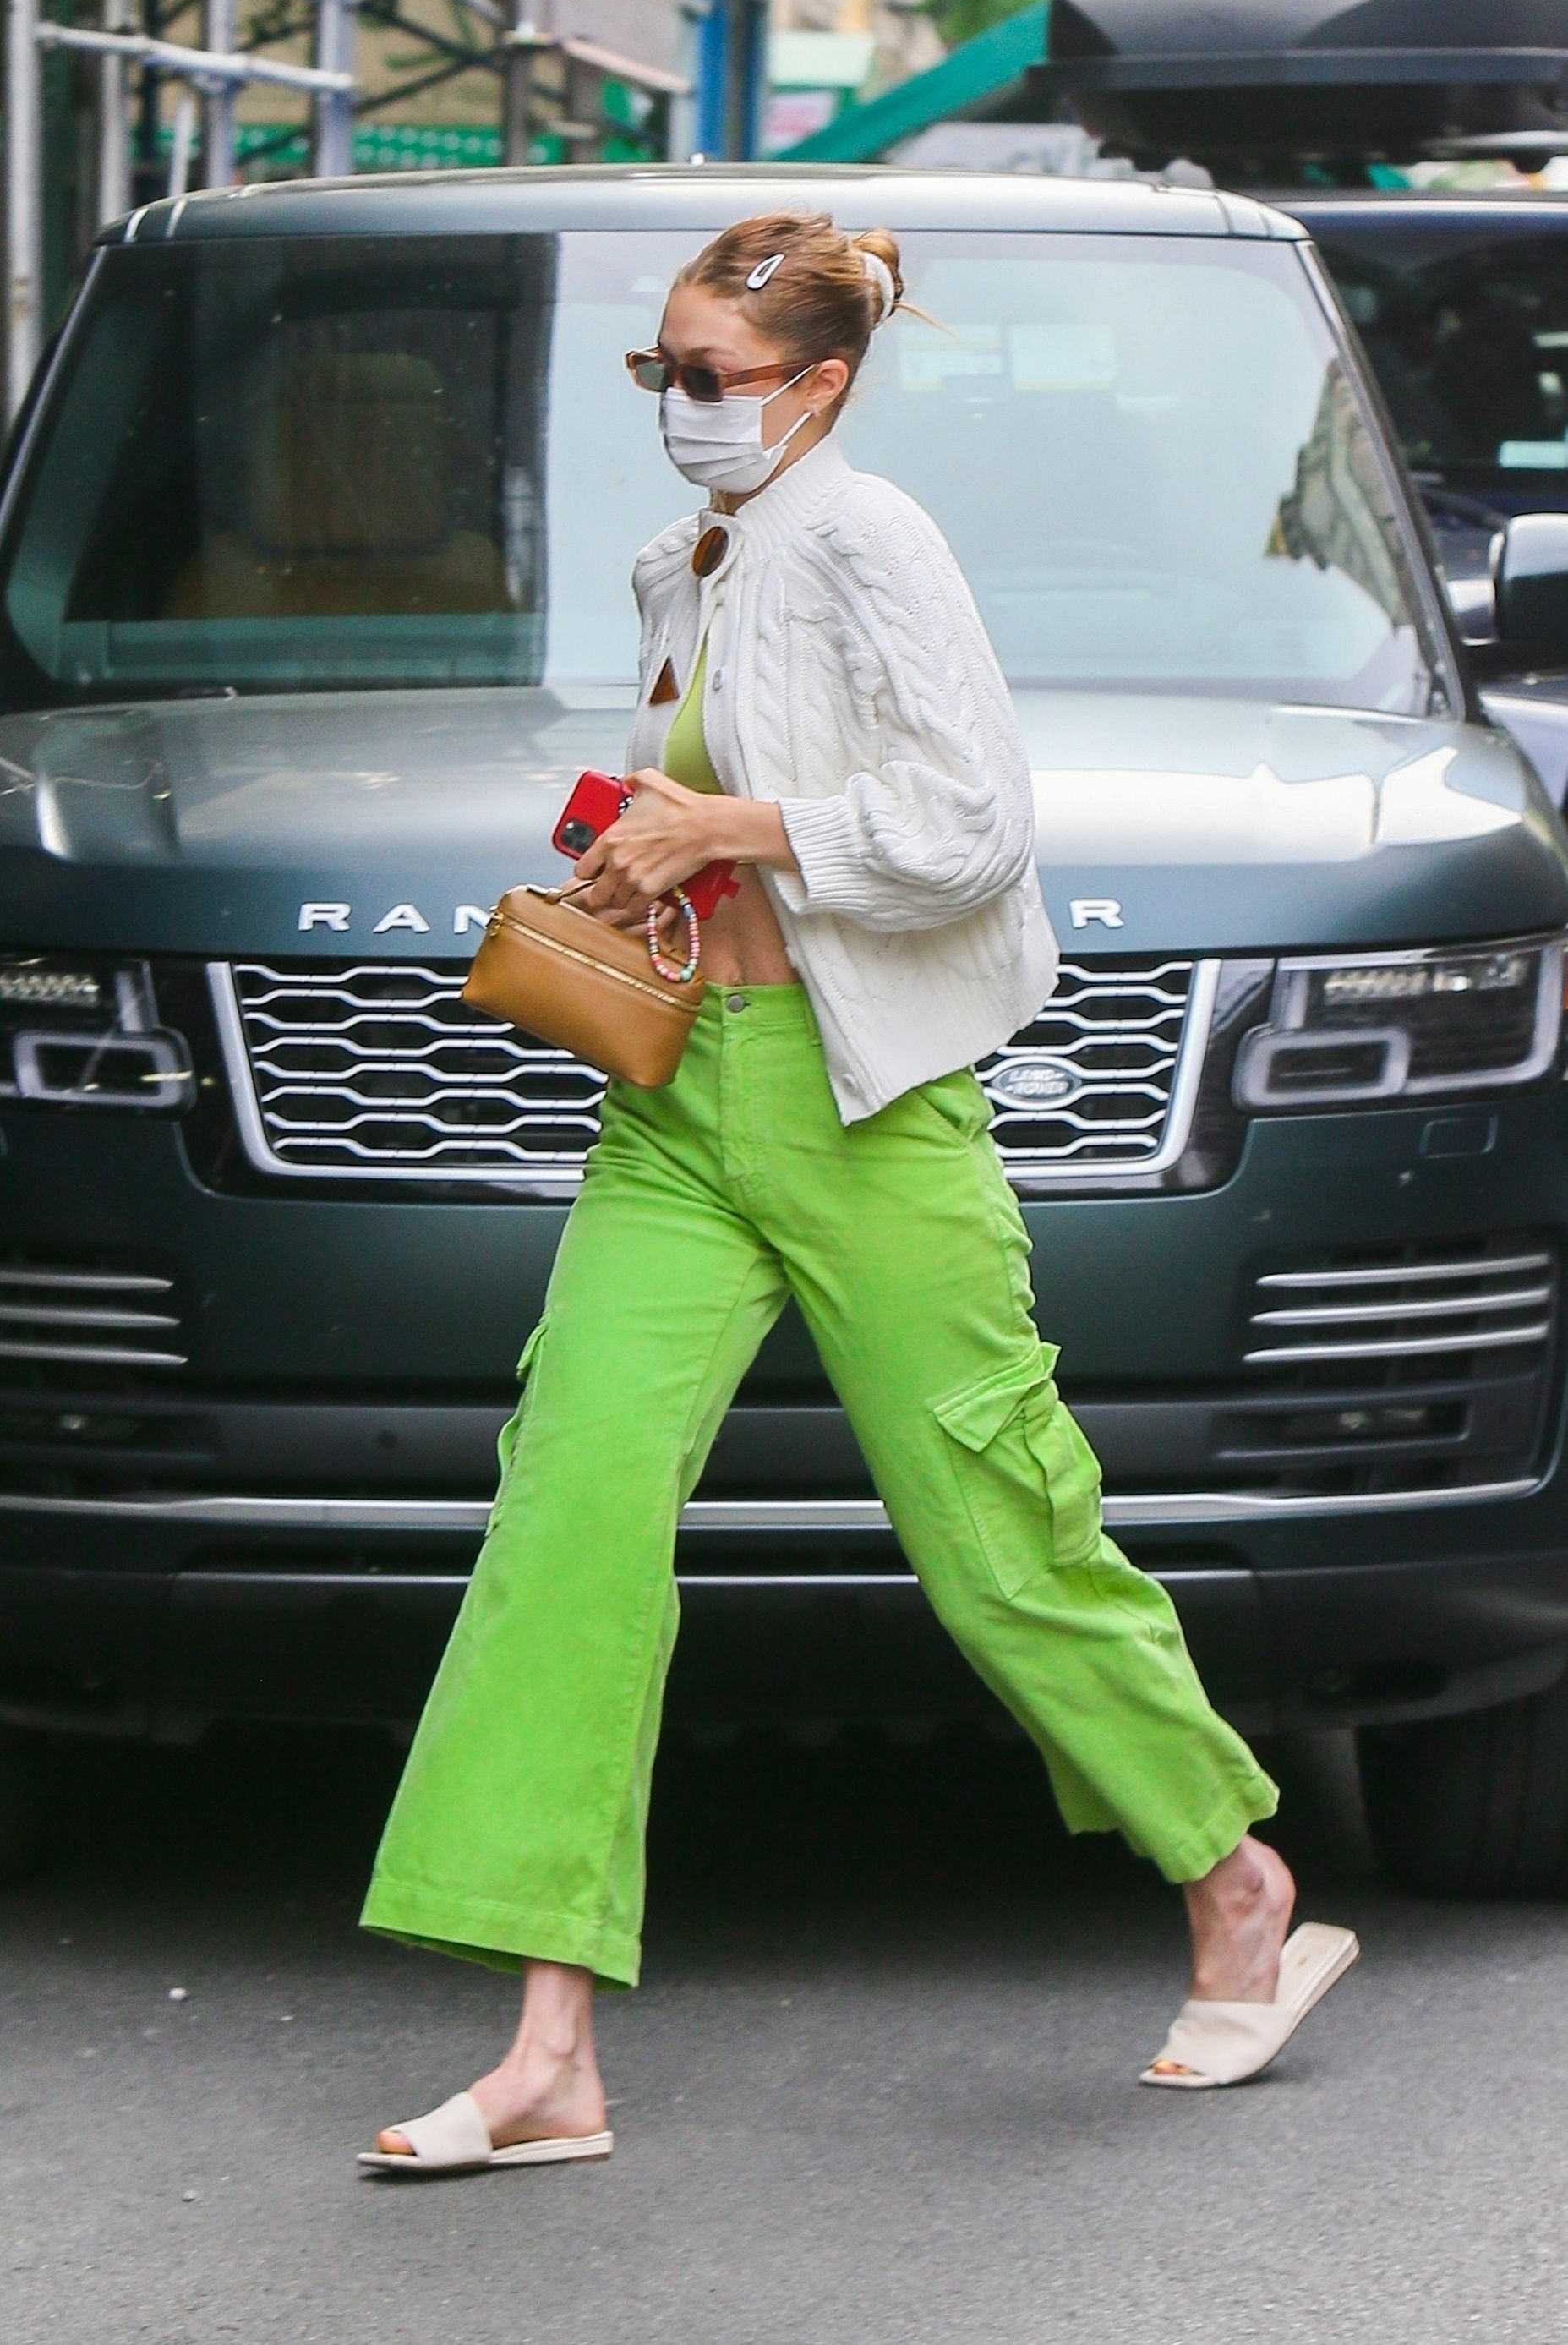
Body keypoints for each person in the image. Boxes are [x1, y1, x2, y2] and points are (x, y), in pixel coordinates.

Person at [356, 210, 1357, 2175]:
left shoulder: (873, 537)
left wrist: (734, 820)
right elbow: (679, 791)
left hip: (863, 1103)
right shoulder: (685, 561)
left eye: (704, 379)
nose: (673, 410)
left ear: (813, 384)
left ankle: (1234, 1879)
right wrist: (627, 846)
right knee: (565, 1513)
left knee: (991, 1519)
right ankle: (549, 2043)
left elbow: (974, 820)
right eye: (655, 374)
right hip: (677, 1109)